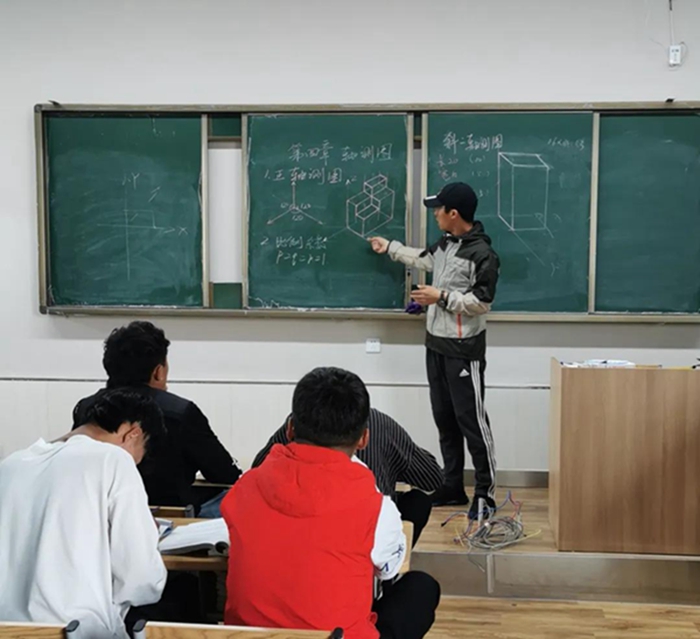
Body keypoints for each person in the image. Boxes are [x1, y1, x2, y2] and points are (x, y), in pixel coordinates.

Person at [222, 367, 440, 639]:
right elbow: (388, 570)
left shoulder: (246, 486)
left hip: (246, 636)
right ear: (363, 439)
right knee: (420, 587)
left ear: (290, 429)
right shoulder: (374, 506)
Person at [369, 182, 500, 518]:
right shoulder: (445, 243)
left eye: (439, 209)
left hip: (463, 350)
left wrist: (439, 297)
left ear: (454, 213)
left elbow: (481, 302)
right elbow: (424, 259)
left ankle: (485, 494)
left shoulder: (482, 254)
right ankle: (452, 485)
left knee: (472, 423)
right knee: (445, 419)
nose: (435, 214)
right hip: (436, 345)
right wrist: (390, 248)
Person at [0, 389, 167, 639]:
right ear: (133, 434)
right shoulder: (114, 460)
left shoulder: (11, 464)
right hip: (76, 631)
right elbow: (140, 579)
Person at [73, 321, 241, 516]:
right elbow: (224, 474)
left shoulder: (86, 407)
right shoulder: (181, 411)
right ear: (158, 372)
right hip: (173, 514)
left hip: (100, 512)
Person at [252, 408, 443, 545]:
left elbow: (257, 472)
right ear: (363, 438)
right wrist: (401, 454)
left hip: (299, 537)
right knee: (416, 502)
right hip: (365, 543)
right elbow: (432, 478)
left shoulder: (299, 423)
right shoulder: (380, 425)